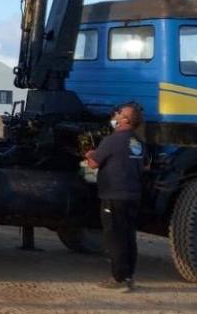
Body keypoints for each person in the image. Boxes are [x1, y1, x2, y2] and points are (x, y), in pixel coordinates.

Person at [84, 101, 145, 292]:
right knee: (128, 237)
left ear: (126, 120)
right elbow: (144, 166)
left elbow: (93, 164)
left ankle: (119, 279)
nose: (115, 116)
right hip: (133, 195)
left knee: (114, 238)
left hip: (114, 196)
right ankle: (129, 276)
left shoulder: (112, 140)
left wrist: (89, 153)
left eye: (119, 113)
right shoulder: (138, 143)